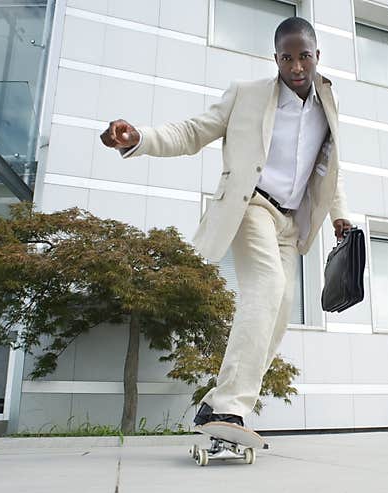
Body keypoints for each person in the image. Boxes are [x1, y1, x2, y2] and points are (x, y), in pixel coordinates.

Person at [100, 16, 352, 430]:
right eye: (287, 58)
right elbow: (193, 132)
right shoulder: (247, 95)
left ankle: (218, 401)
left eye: (304, 56)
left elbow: (331, 166)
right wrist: (140, 138)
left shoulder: (329, 101)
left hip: (292, 223)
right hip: (252, 206)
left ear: (317, 56)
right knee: (265, 288)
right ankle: (230, 409)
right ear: (276, 58)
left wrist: (340, 214)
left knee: (281, 310)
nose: (296, 67)